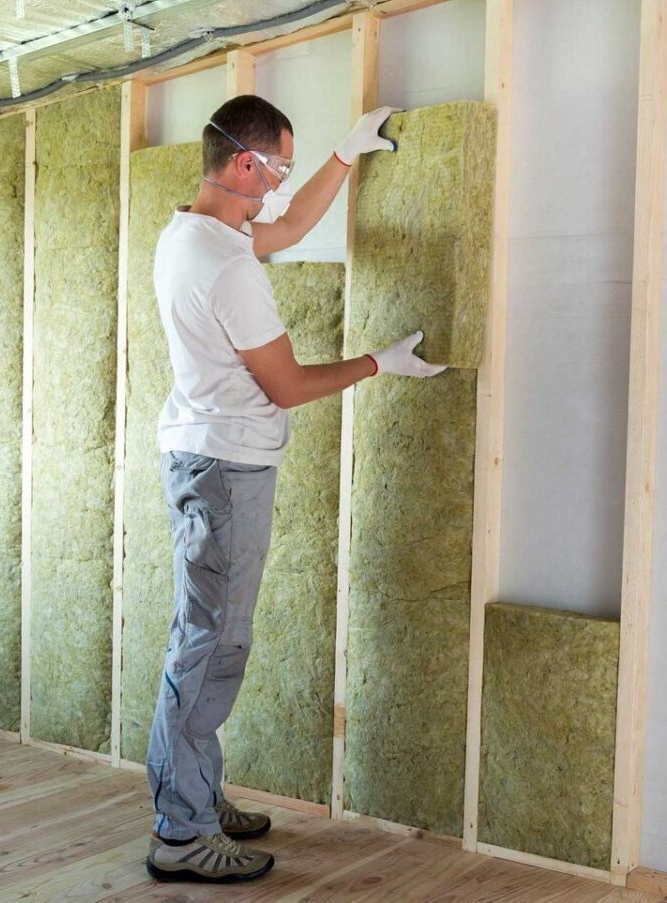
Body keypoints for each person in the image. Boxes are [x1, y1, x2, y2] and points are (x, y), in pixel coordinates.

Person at [144, 94, 446, 884]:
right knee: (211, 644)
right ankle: (182, 831)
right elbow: (284, 385)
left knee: (209, 638)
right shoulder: (227, 268)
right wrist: (379, 362)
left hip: (208, 459)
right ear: (245, 163)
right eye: (278, 168)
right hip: (225, 471)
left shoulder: (193, 234)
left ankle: (197, 797)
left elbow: (293, 224)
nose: (281, 183)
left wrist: (345, 153)